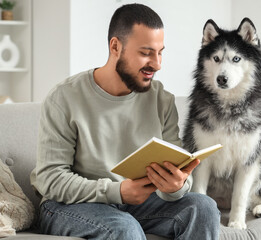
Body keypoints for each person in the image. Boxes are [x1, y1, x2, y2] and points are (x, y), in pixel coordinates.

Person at [30, 3, 220, 240]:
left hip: (137, 202)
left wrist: (177, 186)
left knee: (203, 208)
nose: (157, 64)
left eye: (160, 52)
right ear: (115, 46)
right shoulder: (64, 97)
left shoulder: (161, 100)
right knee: (123, 227)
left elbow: (178, 171)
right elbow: (51, 179)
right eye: (146, 52)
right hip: (69, 205)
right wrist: (116, 191)